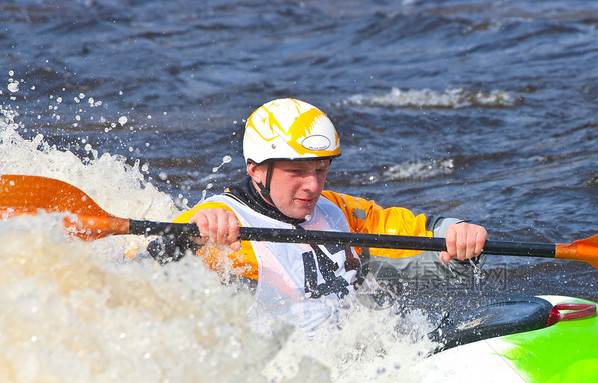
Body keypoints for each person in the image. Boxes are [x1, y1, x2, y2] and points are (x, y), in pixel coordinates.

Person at [146, 97, 488, 334]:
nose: (312, 186)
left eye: (321, 170)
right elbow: (134, 282)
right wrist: (186, 241)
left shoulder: (338, 209)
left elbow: (417, 233)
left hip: (359, 358)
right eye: (296, 171)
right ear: (255, 169)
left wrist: (457, 233)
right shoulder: (214, 219)